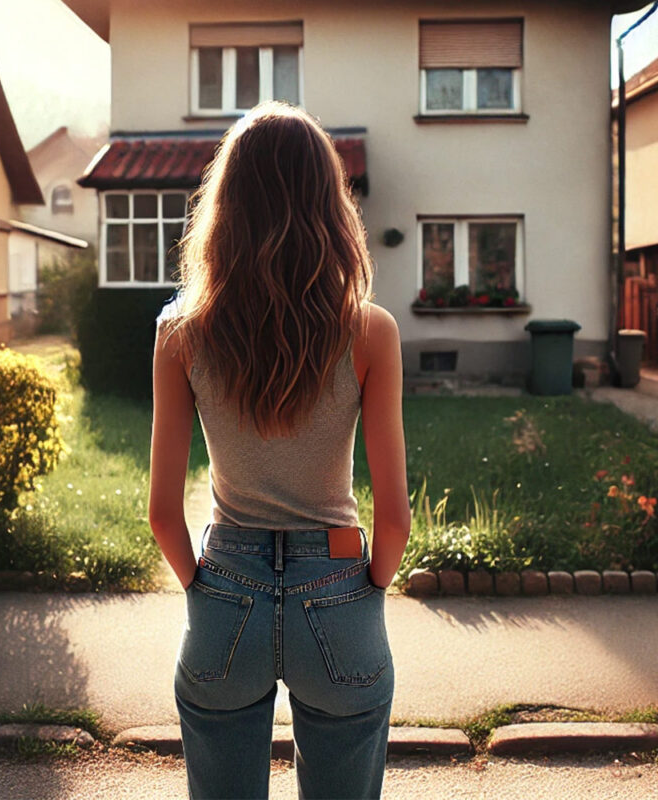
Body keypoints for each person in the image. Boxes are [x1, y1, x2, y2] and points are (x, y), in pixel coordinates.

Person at [148, 100, 411, 800]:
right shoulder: (371, 332)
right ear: (329, 204)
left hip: (226, 586)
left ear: (226, 207)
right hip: (337, 583)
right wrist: (365, 594)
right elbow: (395, 521)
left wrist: (207, 588)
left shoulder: (180, 333)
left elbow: (161, 514)